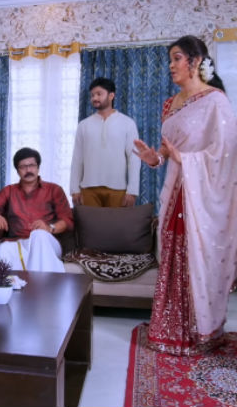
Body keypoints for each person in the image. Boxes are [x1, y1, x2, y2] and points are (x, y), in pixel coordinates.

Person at [134, 35, 237, 356]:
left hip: (201, 197)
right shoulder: (171, 104)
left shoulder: (216, 101)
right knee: (172, 255)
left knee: (194, 256)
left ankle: (199, 331)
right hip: (174, 192)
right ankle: (170, 329)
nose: (171, 65)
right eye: (170, 59)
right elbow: (167, 151)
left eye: (177, 58)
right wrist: (155, 158)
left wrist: (186, 160)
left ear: (196, 61)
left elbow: (226, 153)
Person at [0, 147, 73, 272]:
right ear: (17, 171)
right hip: (18, 242)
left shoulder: (54, 190)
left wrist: (49, 228)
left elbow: (67, 220)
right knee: (4, 249)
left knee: (38, 235)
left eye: (32, 165)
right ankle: (8, 285)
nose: (28, 170)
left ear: (38, 167)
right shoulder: (9, 191)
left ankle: (42, 283)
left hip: (47, 243)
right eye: (23, 167)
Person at [70, 77, 140, 207]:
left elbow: (134, 158)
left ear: (111, 96)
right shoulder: (84, 125)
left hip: (118, 189)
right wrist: (74, 189)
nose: (95, 98)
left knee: (116, 221)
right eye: (92, 95)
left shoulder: (127, 123)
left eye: (99, 94)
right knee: (90, 221)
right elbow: (77, 159)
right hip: (88, 188)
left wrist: (133, 190)